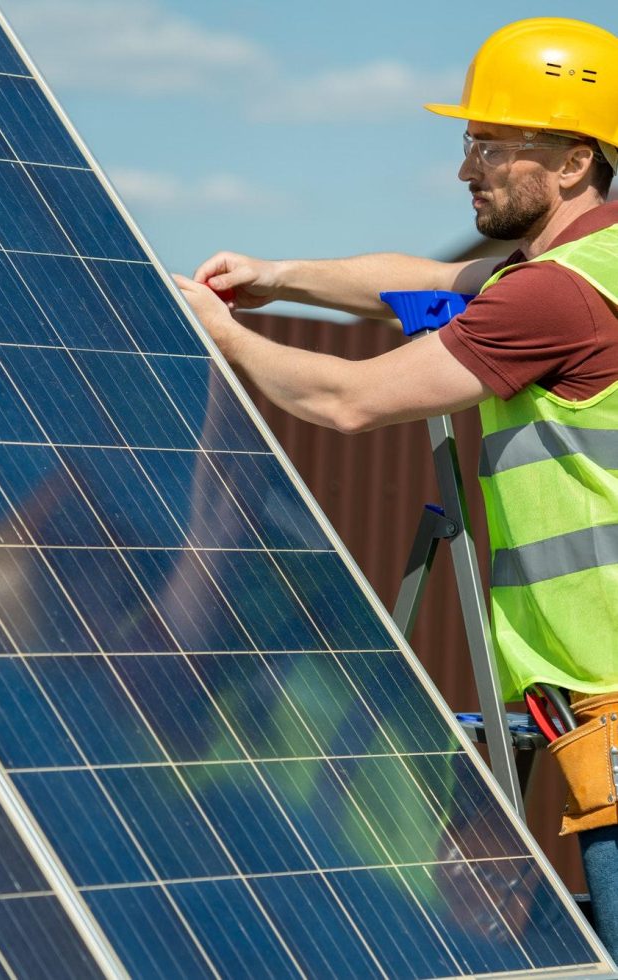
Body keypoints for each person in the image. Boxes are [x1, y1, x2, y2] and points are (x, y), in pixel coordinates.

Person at [174, 16, 618, 958]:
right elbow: (415, 283)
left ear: (575, 162)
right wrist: (277, 278)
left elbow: (345, 400)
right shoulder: (570, 272)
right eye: (469, 142)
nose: (468, 169)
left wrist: (221, 332)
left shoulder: (551, 297)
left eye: (494, 144)